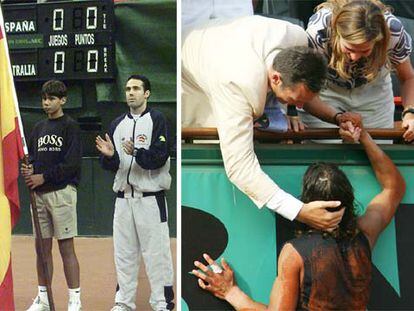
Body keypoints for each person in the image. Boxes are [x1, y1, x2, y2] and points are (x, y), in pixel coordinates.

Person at [192, 122, 406, 310]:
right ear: (348, 201)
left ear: (307, 202)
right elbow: (394, 188)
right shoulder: (366, 233)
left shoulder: (294, 253)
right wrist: (364, 136)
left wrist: (231, 293)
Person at [182, 15, 361, 231]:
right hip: (189, 79)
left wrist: (337, 117)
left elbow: (306, 97)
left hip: (216, 38)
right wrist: (299, 211)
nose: (299, 107)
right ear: (276, 79)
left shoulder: (296, 37)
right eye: (295, 101)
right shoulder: (238, 84)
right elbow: (240, 167)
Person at [96, 75, 174, 311]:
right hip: (122, 200)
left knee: (157, 255)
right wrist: (110, 157)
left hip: (150, 199)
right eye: (128, 89)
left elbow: (160, 157)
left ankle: (162, 303)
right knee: (124, 254)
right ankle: (123, 302)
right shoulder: (117, 123)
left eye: (136, 88)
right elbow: (112, 165)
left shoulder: (158, 119)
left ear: (147, 93)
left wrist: (138, 152)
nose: (131, 92)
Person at [301, 0, 414, 142]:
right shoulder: (319, 30)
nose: (355, 57)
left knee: (377, 149)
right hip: (325, 92)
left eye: (365, 50)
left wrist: (410, 113)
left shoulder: (392, 30)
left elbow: (408, 77)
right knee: (324, 156)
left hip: (374, 96)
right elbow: (304, 90)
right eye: (349, 49)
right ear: (337, 33)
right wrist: (337, 118)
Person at [21, 80, 82, 311]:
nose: (47, 103)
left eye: (52, 98)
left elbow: (72, 165)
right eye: (44, 98)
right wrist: (29, 169)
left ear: (63, 100)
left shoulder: (70, 126)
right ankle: (44, 298)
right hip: (39, 196)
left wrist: (43, 177)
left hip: (62, 193)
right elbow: (33, 159)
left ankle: (74, 299)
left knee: (66, 247)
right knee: (41, 249)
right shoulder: (38, 128)